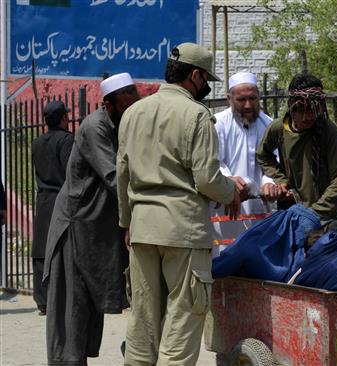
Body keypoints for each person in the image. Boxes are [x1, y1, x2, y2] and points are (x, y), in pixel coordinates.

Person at [117, 42, 240, 365]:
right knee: (183, 320)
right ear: (195, 75)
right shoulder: (197, 115)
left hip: (143, 229)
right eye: (206, 79)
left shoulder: (133, 112)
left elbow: (123, 175)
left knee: (143, 325)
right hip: (183, 231)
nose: (206, 86)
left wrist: (127, 222)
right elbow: (207, 180)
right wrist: (232, 192)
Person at [42, 73, 140, 365]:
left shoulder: (124, 124)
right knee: (74, 302)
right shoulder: (94, 126)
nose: (131, 112)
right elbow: (114, 175)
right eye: (126, 107)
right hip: (77, 224)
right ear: (108, 106)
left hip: (99, 228)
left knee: (90, 302)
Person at [257, 72, 337, 222]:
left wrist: (314, 213)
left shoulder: (329, 131)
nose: (309, 117)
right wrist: (281, 179)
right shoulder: (278, 128)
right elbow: (263, 155)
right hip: (290, 213)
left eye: (313, 110)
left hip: (324, 217)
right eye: (302, 110)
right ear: (292, 107)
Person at [211, 71, 277, 247]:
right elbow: (213, 161)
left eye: (253, 98)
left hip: (258, 207)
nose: (248, 105)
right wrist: (229, 181)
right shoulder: (217, 124)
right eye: (241, 100)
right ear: (229, 98)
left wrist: (269, 181)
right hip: (226, 205)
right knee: (224, 254)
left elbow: (274, 162)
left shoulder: (269, 125)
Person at [31, 100, 74, 315]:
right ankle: (60, 296)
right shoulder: (67, 140)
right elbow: (71, 171)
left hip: (43, 199)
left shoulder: (37, 142)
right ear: (63, 119)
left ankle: (42, 298)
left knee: (40, 249)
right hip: (62, 199)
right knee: (61, 248)